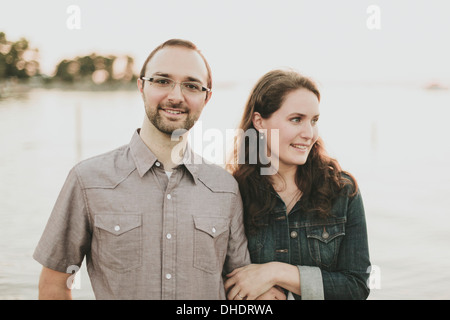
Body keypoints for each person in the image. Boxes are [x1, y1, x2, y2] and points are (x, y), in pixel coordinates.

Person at [33, 39, 250, 300]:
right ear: (141, 86)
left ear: (207, 97)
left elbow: (240, 287)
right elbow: (54, 285)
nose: (175, 96)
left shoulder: (225, 189)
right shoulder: (87, 180)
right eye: (162, 81)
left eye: (191, 86)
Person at [224, 69, 371, 300]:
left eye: (314, 121)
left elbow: (356, 287)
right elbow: (219, 278)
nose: (309, 133)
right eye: (296, 120)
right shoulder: (232, 192)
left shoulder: (342, 191)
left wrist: (276, 272)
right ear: (260, 122)